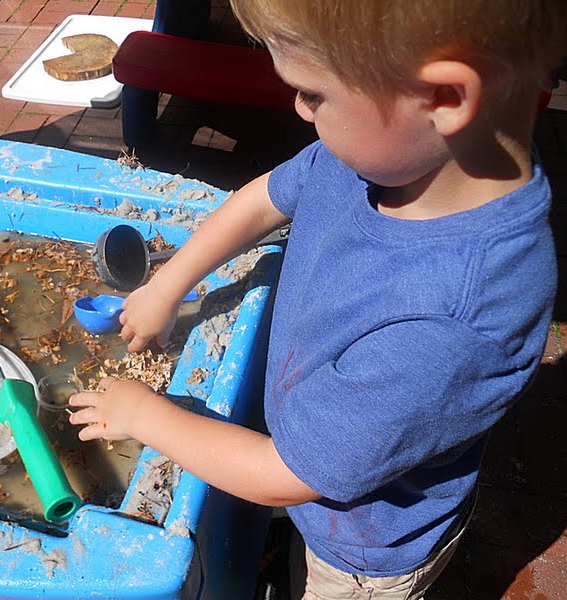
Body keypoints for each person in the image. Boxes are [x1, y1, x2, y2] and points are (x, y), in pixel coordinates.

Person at [68, 1, 566, 597]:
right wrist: (167, 283)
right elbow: (266, 198)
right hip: (322, 474)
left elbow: (282, 475)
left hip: (358, 552)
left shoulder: (454, 322)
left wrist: (144, 416)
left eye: (313, 93)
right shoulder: (389, 154)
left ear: (445, 99)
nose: (299, 109)